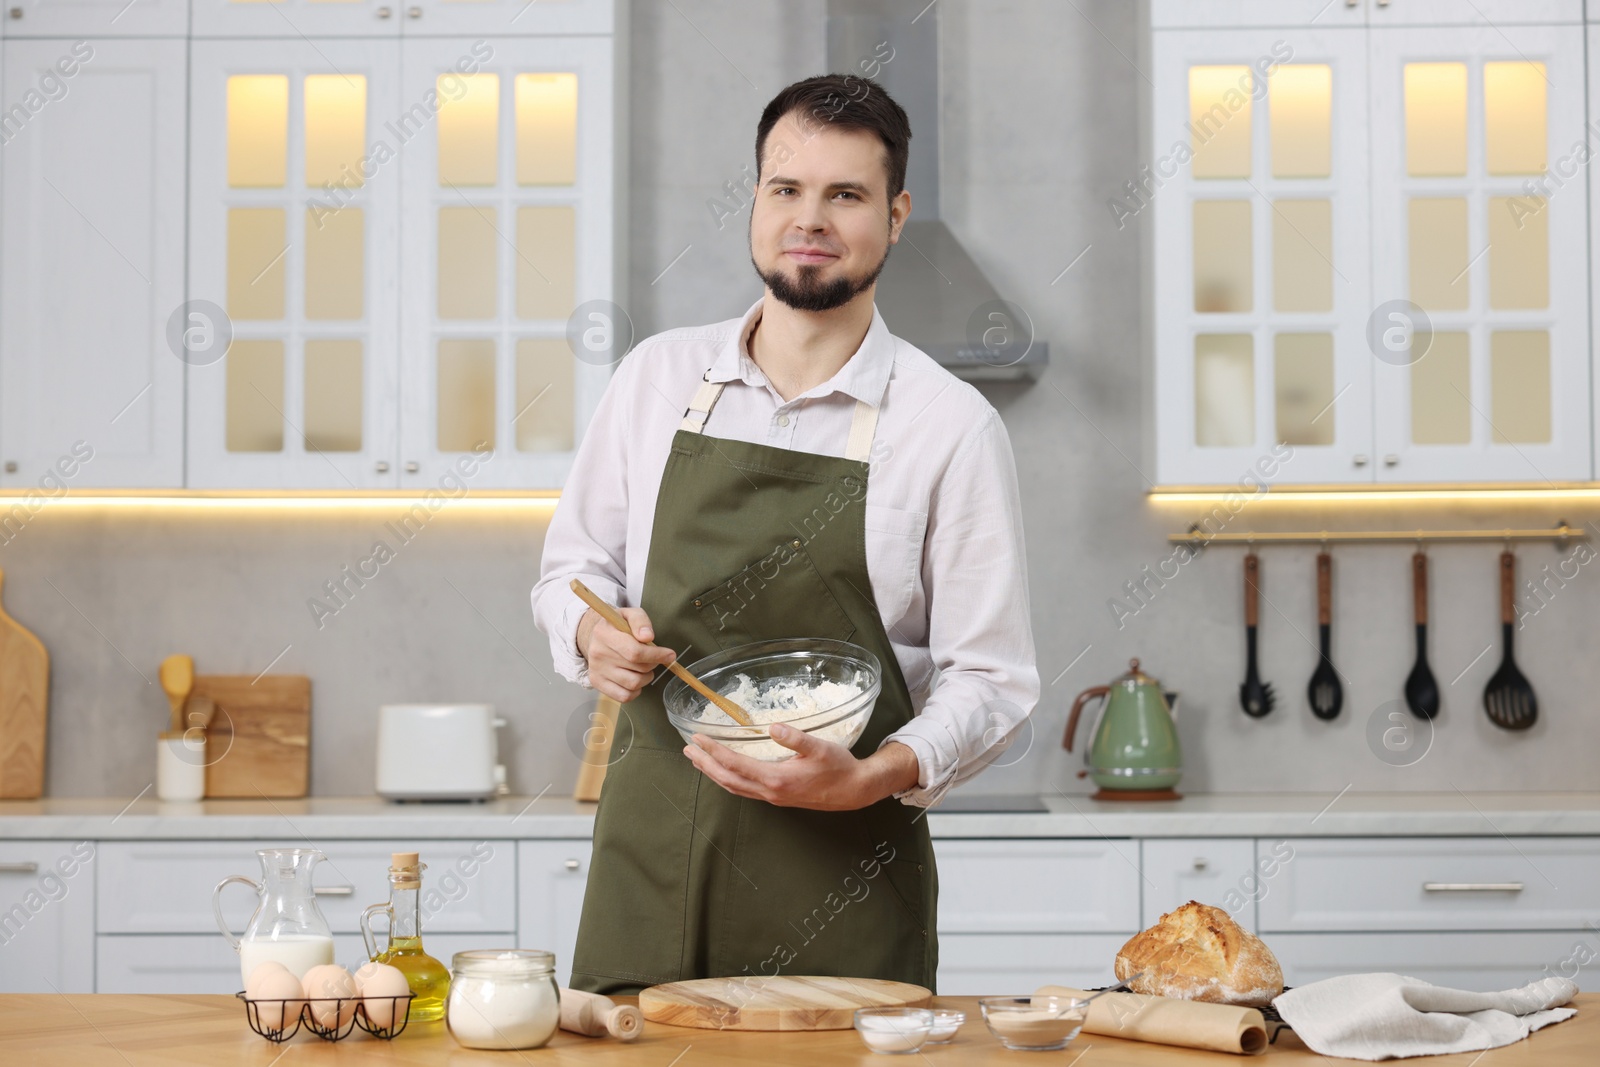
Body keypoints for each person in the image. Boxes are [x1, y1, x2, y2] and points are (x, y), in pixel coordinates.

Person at [532, 73, 1038, 996]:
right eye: (786, 189)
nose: (811, 218)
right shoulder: (656, 378)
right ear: (756, 202)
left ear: (895, 215)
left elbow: (993, 682)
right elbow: (572, 569)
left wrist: (874, 774)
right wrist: (590, 633)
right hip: (653, 857)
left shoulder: (949, 426)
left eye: (846, 194)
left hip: (842, 876)